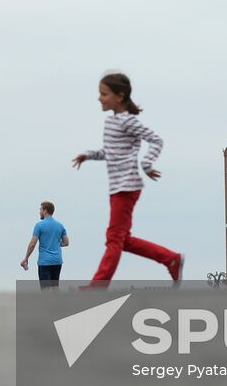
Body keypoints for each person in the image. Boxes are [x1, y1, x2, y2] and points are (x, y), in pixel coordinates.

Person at [72, 72, 183, 289]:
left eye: (104, 94)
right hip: (116, 187)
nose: (99, 98)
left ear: (119, 96)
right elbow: (110, 151)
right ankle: (170, 258)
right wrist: (89, 155)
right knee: (123, 240)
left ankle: (98, 285)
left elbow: (156, 140)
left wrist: (147, 164)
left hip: (127, 186)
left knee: (114, 238)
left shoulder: (128, 121)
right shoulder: (111, 121)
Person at [21, 200, 69, 289]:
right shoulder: (60, 225)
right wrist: (56, 244)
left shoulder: (39, 225)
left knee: (45, 289)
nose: (40, 212)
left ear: (45, 210)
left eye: (41, 210)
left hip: (45, 262)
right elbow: (66, 243)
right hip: (57, 261)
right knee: (55, 288)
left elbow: (32, 244)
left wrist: (26, 258)